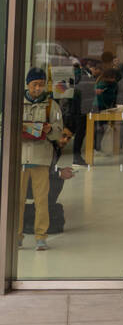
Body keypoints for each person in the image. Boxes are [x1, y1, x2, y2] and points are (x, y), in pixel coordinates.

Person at [18, 68, 64, 252]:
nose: (38, 88)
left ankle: (40, 237)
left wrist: (49, 130)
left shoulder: (51, 106)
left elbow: (59, 131)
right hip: (19, 159)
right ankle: (16, 236)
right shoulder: (16, 103)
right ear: (27, 85)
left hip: (41, 159)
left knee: (41, 200)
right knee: (17, 201)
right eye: (34, 84)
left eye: (41, 84)